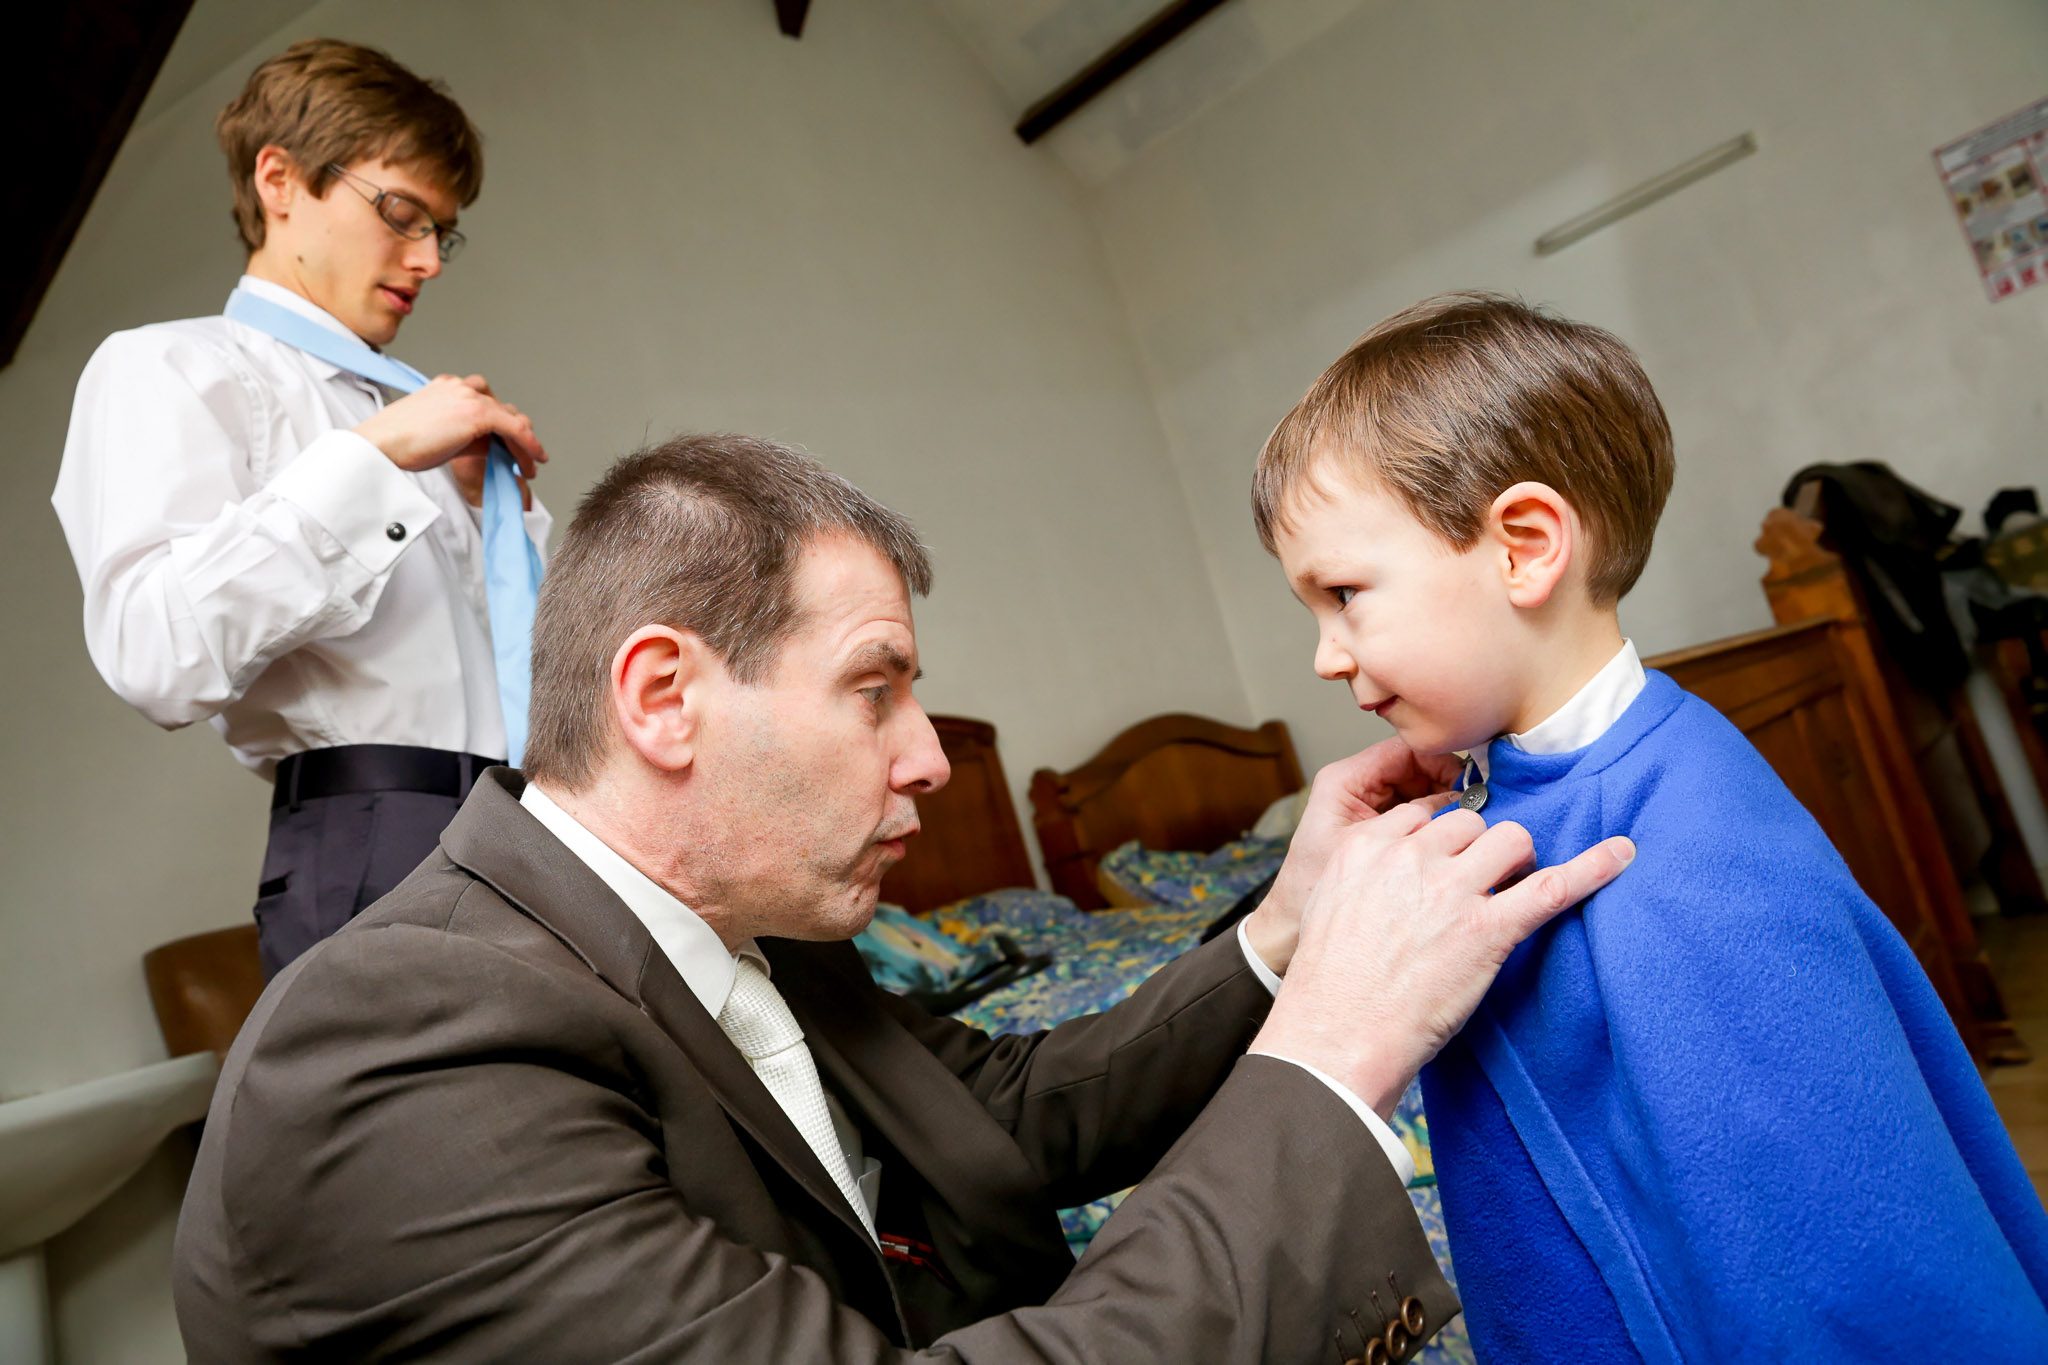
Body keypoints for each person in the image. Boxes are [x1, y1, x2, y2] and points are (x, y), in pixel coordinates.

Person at [172, 433, 1635, 1361]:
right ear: (665, 697)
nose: (932, 758)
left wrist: (1286, 928)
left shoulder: (754, 932)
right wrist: (1331, 1058)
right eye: (875, 690)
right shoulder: (398, 1043)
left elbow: (1007, 1112)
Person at [1251, 292, 2048, 1361]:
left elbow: (1826, 1269)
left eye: (1344, 594)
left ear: (1525, 548)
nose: (1324, 655)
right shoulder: (1518, 785)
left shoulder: (1682, 867)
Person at [51, 39, 550, 977]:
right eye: (403, 214)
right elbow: (154, 653)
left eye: (445, 231)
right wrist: (372, 461)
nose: (430, 259)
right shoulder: (169, 368)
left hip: (534, 833)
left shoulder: (416, 419)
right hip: (378, 844)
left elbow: (507, 672)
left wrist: (497, 518)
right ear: (279, 180)